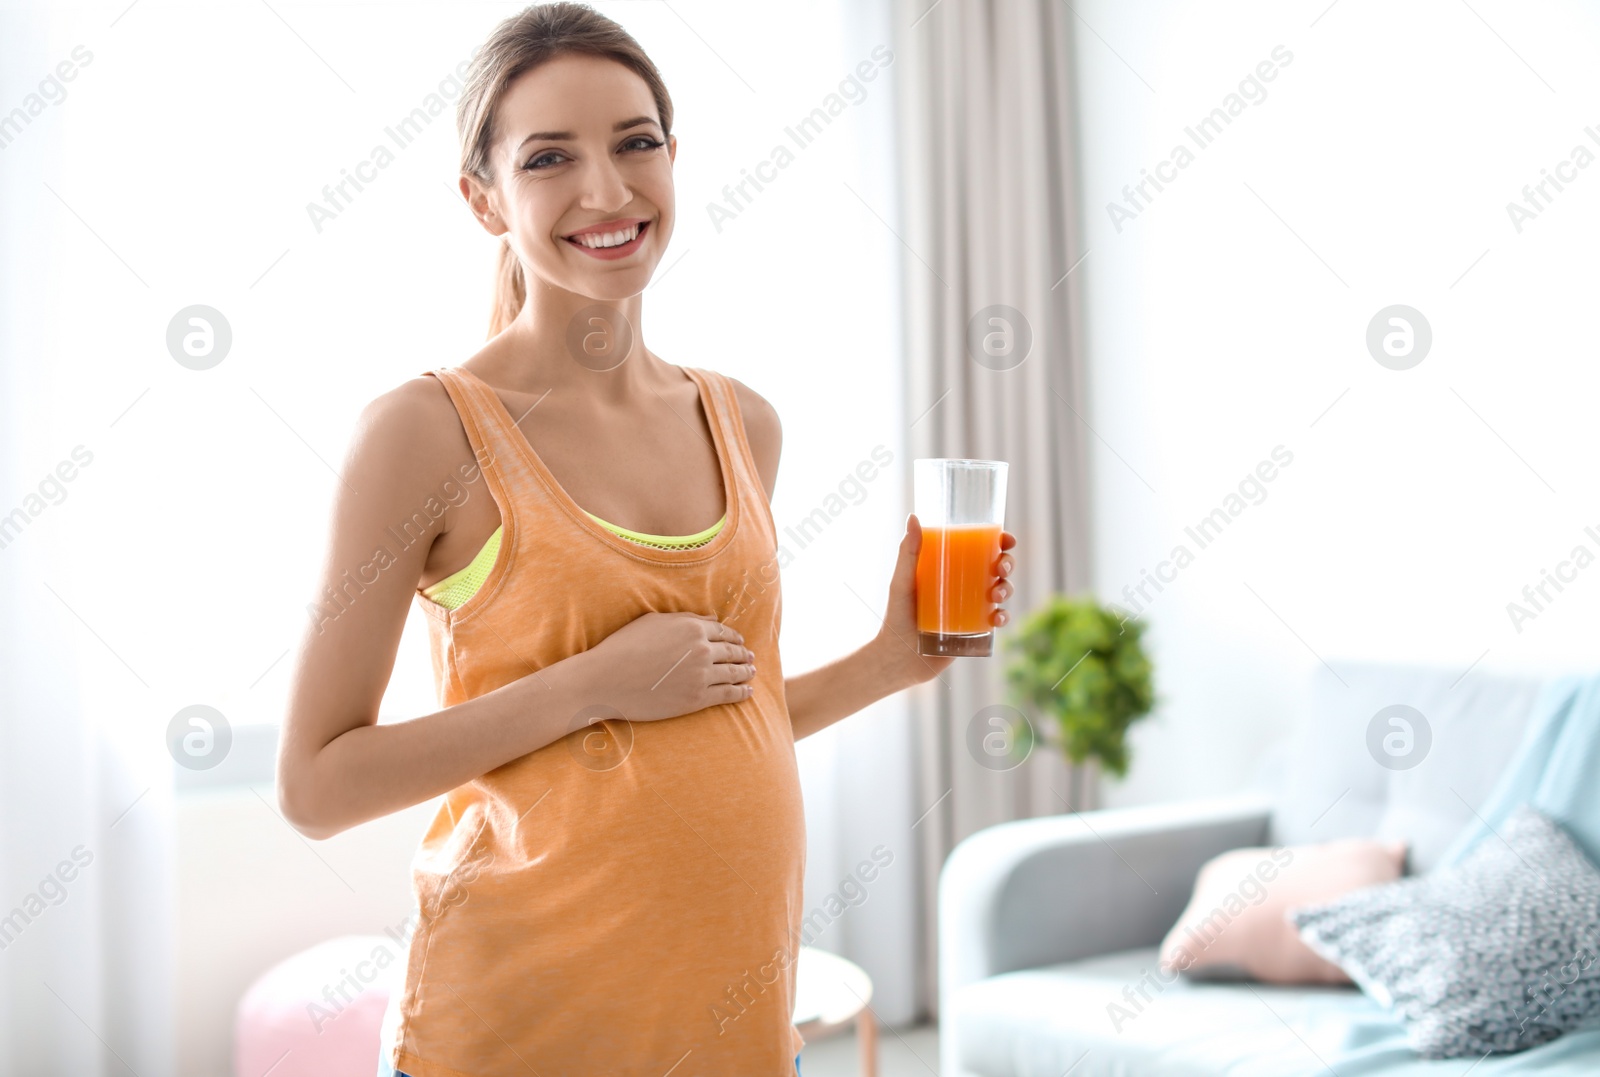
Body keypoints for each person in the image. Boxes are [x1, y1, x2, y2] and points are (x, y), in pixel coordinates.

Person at [274, 4, 1017, 1075]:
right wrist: (590, 684)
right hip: (522, 1035)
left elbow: (712, 707)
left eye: (636, 142)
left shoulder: (741, 422)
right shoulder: (427, 433)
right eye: (548, 159)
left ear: (675, 156)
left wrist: (888, 665)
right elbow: (314, 785)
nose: (609, 191)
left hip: (734, 1030)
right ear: (483, 199)